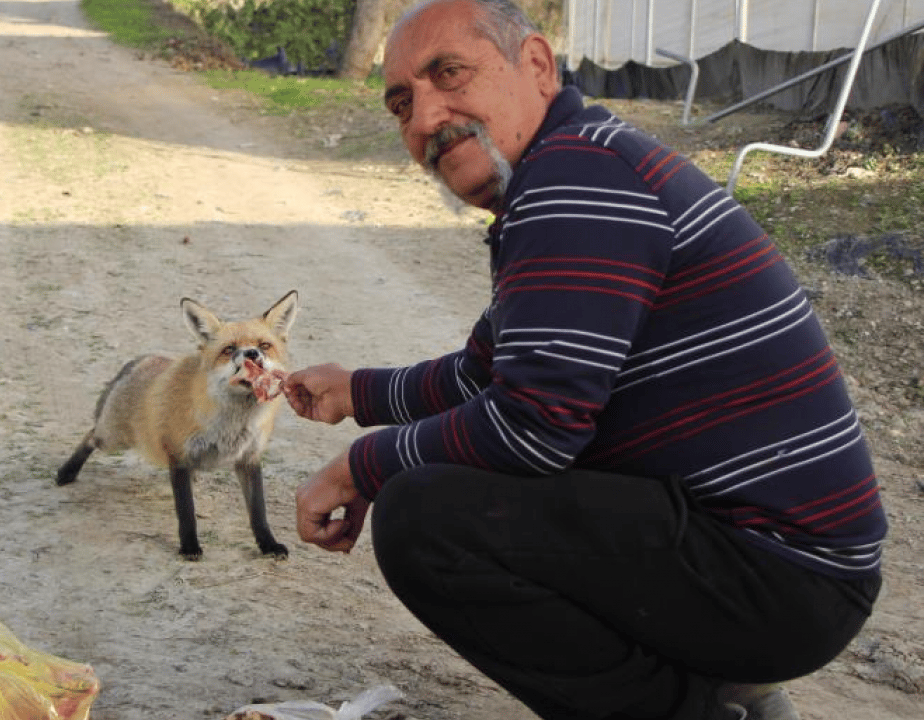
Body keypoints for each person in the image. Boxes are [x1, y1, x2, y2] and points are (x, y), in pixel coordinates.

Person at [281, 1, 887, 719]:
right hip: (782, 566)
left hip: (779, 576)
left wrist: (365, 465)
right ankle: (724, 693)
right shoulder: (574, 165)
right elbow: (486, 372)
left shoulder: (576, 177)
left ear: (536, 65)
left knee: (427, 516)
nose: (425, 119)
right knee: (485, 470)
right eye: (402, 104)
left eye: (450, 73)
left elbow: (533, 424)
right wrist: (356, 392)